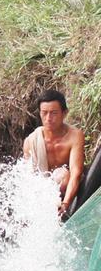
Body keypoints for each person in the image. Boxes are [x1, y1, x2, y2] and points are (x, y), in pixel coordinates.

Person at [23, 90, 85, 218]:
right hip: (42, 195)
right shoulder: (31, 141)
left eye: (54, 113)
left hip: (68, 193)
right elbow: (28, 179)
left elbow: (76, 173)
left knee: (62, 175)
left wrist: (65, 204)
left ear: (64, 113)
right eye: (44, 113)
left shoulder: (74, 136)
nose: (48, 118)